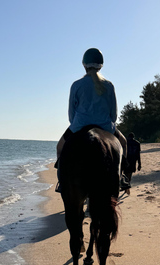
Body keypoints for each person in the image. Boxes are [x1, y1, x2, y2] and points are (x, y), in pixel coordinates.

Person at [55, 48, 129, 191]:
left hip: (79, 126)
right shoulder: (109, 85)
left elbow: (71, 114)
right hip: (106, 126)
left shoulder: (76, 85)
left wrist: (76, 124)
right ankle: (121, 177)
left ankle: (62, 182)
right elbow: (114, 115)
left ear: (84, 65)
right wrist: (108, 123)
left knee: (59, 148)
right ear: (101, 66)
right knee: (124, 144)